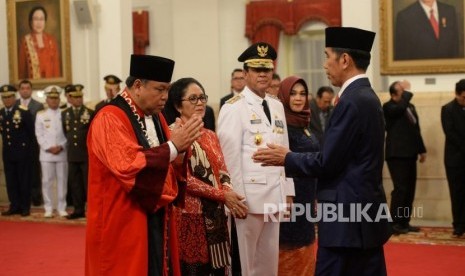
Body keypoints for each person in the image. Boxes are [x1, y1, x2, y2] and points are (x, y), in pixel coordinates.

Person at [252, 27, 392, 275]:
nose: (325, 64)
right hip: (362, 216)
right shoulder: (366, 96)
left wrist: (286, 158)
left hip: (345, 220)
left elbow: (328, 162)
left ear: (345, 59)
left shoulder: (352, 100)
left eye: (327, 55)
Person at [85, 54, 203, 276]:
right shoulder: (109, 118)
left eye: (167, 90)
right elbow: (129, 166)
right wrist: (174, 147)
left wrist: (179, 154)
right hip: (121, 221)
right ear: (138, 86)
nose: (165, 97)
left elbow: (168, 163)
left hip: (154, 216)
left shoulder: (155, 117)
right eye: (160, 90)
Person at [217, 42, 295, 276]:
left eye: (267, 70)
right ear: (246, 73)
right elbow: (228, 159)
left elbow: (285, 152)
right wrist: (236, 198)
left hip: (275, 196)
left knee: (268, 263)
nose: (263, 75)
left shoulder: (277, 105)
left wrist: (288, 190)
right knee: (245, 263)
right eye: (256, 69)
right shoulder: (234, 108)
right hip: (248, 200)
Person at [164, 77, 248, 275]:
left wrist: (227, 191)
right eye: (193, 99)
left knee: (218, 268)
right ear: (177, 105)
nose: (200, 103)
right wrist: (223, 196)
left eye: (202, 97)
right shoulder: (172, 134)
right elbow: (183, 178)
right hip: (188, 216)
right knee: (194, 269)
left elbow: (222, 170)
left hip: (215, 216)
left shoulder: (209, 134)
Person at [277, 76, 318, 276]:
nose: (298, 98)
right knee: (289, 247)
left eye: (302, 93)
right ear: (284, 96)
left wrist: (316, 194)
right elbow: (277, 165)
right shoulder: (280, 126)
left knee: (306, 243)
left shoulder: (304, 122)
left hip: (307, 195)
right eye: (292, 93)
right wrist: (287, 194)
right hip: (289, 198)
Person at [383, 80, 426, 234]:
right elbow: (399, 109)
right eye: (402, 91)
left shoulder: (410, 106)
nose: (406, 93)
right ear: (394, 94)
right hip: (396, 154)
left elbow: (416, 129)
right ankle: (394, 223)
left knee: (409, 190)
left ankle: (404, 222)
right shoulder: (388, 107)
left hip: (410, 153)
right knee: (400, 189)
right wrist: (407, 92)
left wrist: (422, 150)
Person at [0, 85, 35, 217]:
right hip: (8, 153)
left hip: (22, 152)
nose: (7, 100)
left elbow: (31, 133)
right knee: (11, 181)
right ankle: (14, 205)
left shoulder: (23, 111)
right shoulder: (2, 113)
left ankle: (25, 207)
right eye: (4, 98)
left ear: (14, 97)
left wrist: (29, 152)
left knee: (23, 180)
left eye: (9, 97)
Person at [62, 84, 94, 219]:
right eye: (75, 97)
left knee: (88, 184)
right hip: (72, 154)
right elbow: (66, 132)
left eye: (80, 97)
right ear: (70, 98)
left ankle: (91, 210)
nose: (78, 100)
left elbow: (92, 133)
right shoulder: (65, 113)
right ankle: (78, 209)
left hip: (85, 153)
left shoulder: (89, 112)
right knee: (75, 184)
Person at [35, 85, 68, 218]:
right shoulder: (41, 115)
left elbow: (68, 134)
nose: (54, 101)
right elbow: (39, 134)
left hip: (62, 152)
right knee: (47, 181)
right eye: (51, 98)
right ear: (46, 100)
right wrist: (49, 147)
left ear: (59, 99)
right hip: (46, 154)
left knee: (62, 181)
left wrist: (61, 146)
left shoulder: (64, 113)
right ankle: (48, 208)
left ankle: (61, 207)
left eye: (56, 98)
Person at [394, 0, 459, 60]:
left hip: (448, 70)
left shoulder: (449, 11)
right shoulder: (405, 17)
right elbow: (403, 59)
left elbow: (455, 50)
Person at [441, 79, 465, 237]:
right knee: (457, 193)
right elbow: (450, 132)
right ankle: (458, 225)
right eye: (464, 97)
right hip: (455, 159)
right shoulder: (447, 109)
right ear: (457, 94)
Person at [16, 79, 44, 206]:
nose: (25, 90)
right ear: (19, 90)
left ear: (31, 90)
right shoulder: (14, 104)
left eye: (27, 88)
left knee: (33, 171)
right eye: (22, 88)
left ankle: (36, 198)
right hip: (17, 144)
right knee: (20, 172)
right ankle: (21, 198)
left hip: (32, 143)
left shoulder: (38, 106)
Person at [18, 5, 61, 79]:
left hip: (51, 87)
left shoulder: (52, 40)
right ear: (31, 22)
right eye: (36, 19)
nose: (39, 23)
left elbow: (56, 70)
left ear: (45, 21)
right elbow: (21, 72)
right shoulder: (24, 41)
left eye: (41, 19)